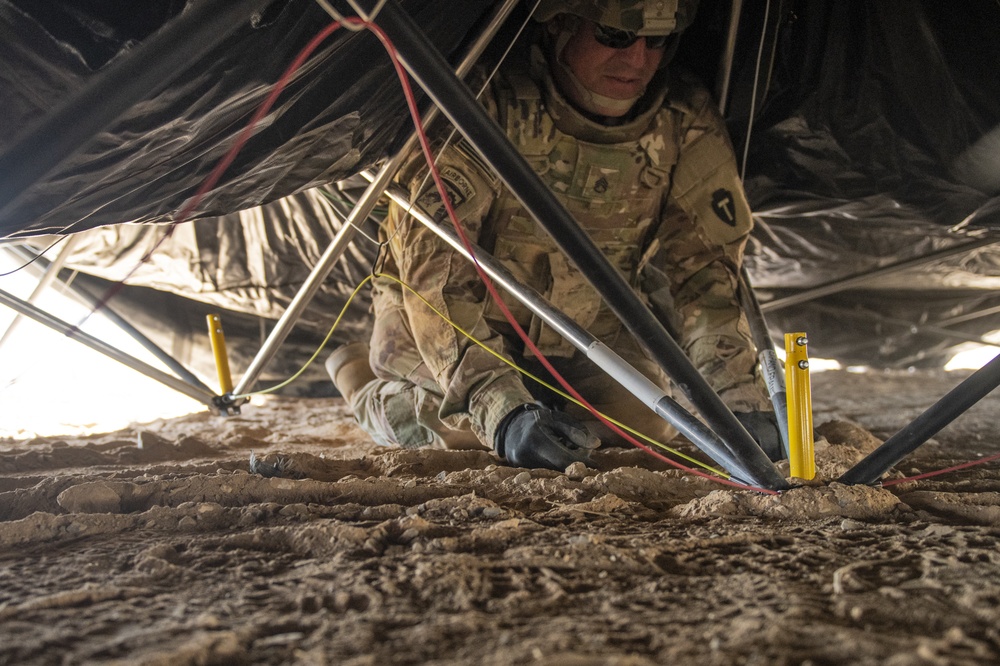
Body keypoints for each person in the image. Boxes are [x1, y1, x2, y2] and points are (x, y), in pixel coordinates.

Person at [327, 0, 783, 471]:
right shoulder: (483, 104)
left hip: (586, 328)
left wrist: (740, 398)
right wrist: (499, 410)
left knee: (646, 426)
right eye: (616, 36)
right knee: (468, 432)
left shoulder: (682, 118)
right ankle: (357, 376)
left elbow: (706, 274)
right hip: (445, 323)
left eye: (658, 41)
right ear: (561, 25)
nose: (638, 59)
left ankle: (538, 405)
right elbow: (436, 281)